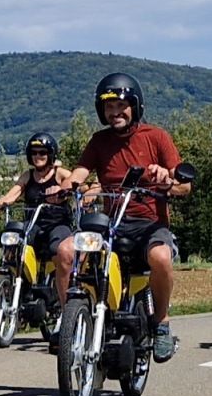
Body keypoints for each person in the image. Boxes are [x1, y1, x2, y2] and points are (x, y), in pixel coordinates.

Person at [71, 71, 184, 362]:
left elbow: (184, 186)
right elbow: (81, 171)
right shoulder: (99, 141)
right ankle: (72, 317)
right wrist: (68, 186)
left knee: (161, 258)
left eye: (121, 106)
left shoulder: (156, 137)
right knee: (74, 251)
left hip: (149, 225)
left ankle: (161, 322)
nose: (115, 112)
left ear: (135, 106)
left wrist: (166, 179)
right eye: (109, 107)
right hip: (113, 225)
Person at [0, 131, 82, 316]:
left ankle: (62, 299)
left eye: (42, 152)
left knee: (58, 250)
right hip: (33, 223)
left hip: (57, 223)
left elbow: (79, 185)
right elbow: (12, 194)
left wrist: (63, 190)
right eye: (34, 153)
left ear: (51, 154)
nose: (38, 156)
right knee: (15, 245)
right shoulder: (27, 176)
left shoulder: (60, 173)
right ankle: (18, 286)